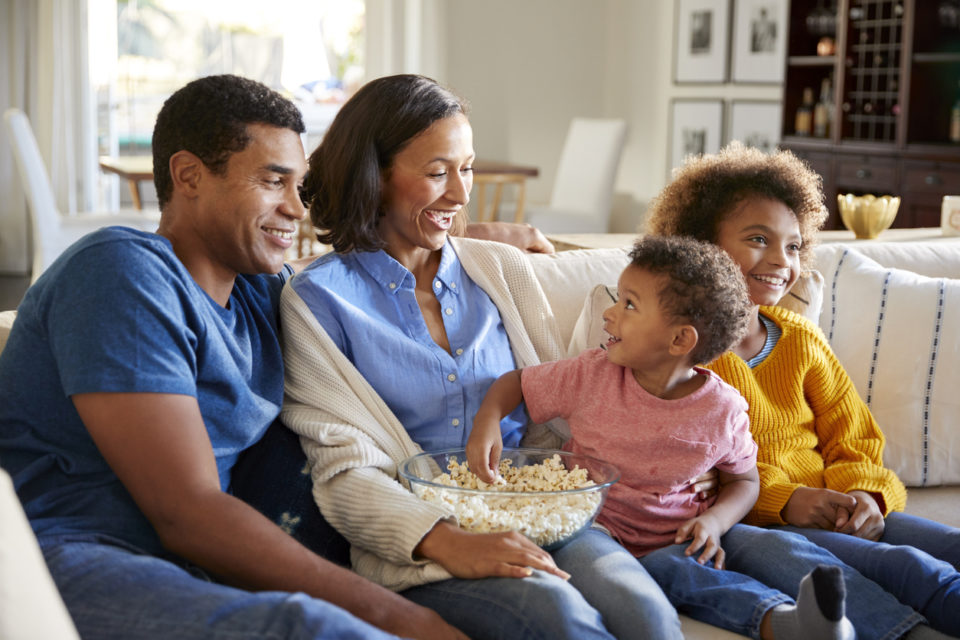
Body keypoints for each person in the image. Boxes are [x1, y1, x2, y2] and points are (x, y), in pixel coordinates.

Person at [0, 72, 543, 640]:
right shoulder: (122, 272)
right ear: (188, 175)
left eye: (298, 184)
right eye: (272, 181)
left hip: (190, 569)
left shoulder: (263, 292)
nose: (296, 207)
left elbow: (358, 275)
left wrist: (467, 235)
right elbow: (187, 513)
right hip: (64, 556)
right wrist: (407, 620)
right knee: (308, 627)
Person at [278, 73, 684, 640]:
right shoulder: (316, 301)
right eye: (437, 171)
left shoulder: (502, 270)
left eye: (465, 168)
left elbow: (562, 406)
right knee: (561, 619)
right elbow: (344, 471)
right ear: (374, 175)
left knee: (646, 614)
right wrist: (454, 543)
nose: (461, 194)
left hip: (547, 510)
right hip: (429, 540)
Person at [466, 235, 856, 640]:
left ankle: (789, 623)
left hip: (678, 537)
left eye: (629, 305)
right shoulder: (591, 374)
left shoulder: (722, 410)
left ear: (680, 340)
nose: (610, 314)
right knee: (635, 593)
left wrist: (714, 522)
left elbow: (744, 480)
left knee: (696, 573)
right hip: (592, 528)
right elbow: (518, 383)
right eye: (618, 299)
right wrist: (488, 420)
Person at [645, 141, 960, 638]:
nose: (780, 260)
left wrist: (866, 494)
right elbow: (698, 470)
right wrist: (788, 499)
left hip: (838, 505)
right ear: (700, 243)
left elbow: (853, 435)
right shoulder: (682, 351)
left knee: (946, 549)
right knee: (911, 570)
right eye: (757, 238)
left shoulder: (801, 338)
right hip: (761, 523)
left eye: (793, 246)